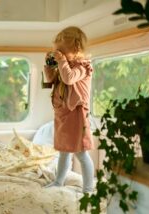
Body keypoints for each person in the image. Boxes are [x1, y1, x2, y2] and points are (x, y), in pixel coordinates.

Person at [43, 26, 94, 193]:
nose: (59, 54)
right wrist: (49, 67)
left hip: (76, 115)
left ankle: (88, 188)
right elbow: (51, 81)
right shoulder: (65, 65)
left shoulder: (83, 67)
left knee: (80, 153)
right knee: (64, 151)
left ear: (76, 48)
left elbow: (69, 78)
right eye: (57, 51)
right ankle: (59, 181)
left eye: (62, 51)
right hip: (64, 114)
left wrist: (62, 62)